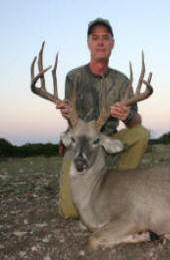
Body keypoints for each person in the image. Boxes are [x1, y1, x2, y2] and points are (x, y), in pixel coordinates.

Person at [57, 18, 150, 219]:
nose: (101, 43)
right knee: (70, 212)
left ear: (112, 43)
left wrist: (128, 115)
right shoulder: (74, 77)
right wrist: (67, 114)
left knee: (141, 134)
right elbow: (71, 124)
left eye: (105, 38)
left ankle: (121, 190)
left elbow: (136, 122)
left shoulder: (122, 81)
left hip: (106, 141)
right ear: (88, 43)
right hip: (81, 144)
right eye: (95, 38)